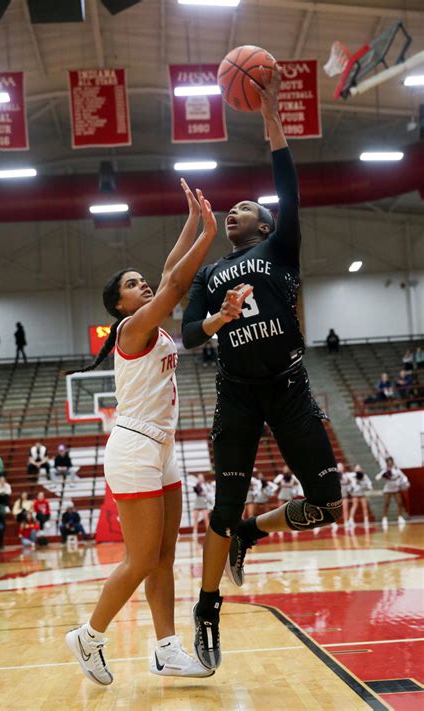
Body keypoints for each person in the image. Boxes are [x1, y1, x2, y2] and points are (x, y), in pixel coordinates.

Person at [181, 62, 342, 671]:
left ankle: (256, 532)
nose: (234, 213)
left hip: (291, 387)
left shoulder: (281, 248)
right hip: (238, 396)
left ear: (266, 224)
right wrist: (219, 318)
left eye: (245, 208)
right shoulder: (210, 273)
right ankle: (207, 608)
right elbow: (190, 333)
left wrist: (271, 106)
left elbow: (286, 181)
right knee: (222, 510)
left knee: (326, 505)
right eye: (232, 210)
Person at [65, 178, 217, 686]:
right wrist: (209, 236)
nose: (143, 285)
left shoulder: (146, 323)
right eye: (132, 284)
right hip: (134, 445)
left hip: (163, 448)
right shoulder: (133, 329)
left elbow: (169, 272)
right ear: (119, 305)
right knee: (140, 558)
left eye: (139, 280)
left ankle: (165, 648)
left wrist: (192, 219)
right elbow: (176, 285)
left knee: (167, 556)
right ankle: (89, 635)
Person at [376, 456, 407, 526]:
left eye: (391, 461)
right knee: (386, 503)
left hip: (395, 488)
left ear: (392, 462)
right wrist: (382, 476)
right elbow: (378, 477)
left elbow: (404, 477)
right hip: (387, 489)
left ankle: (400, 517)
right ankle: (384, 518)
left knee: (399, 502)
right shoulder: (385, 470)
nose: (390, 463)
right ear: (386, 462)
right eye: (388, 461)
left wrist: (404, 482)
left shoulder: (396, 469)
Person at [335, 462, 352, 529]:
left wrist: (348, 481)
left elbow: (349, 482)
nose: (340, 468)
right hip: (337, 495)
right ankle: (334, 523)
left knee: (345, 509)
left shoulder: (346, 475)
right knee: (335, 510)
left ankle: (346, 522)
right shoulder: (335, 475)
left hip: (344, 494)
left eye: (341, 467)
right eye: (339, 467)